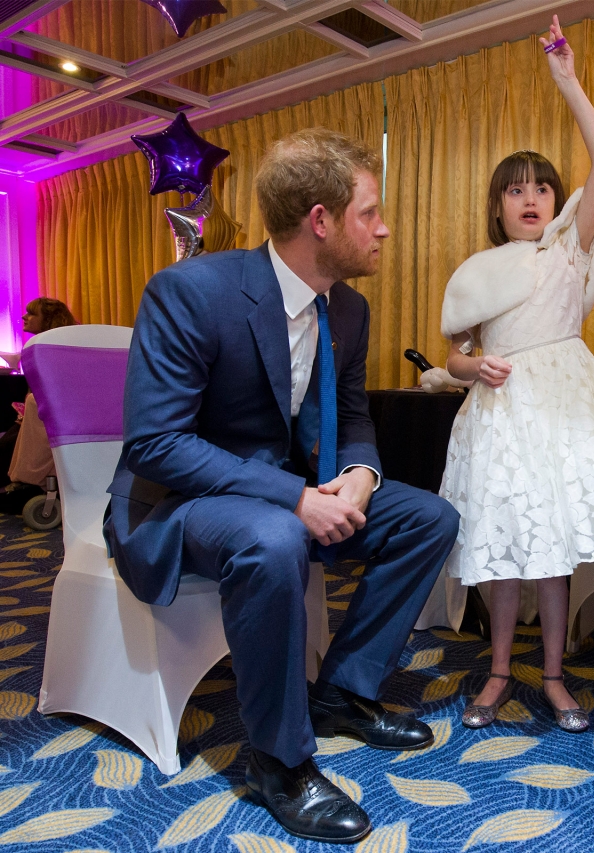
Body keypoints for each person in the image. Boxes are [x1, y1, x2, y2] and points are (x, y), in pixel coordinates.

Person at [103, 129, 460, 844]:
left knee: (430, 518)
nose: (384, 227)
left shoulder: (348, 309)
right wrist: (294, 497)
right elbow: (157, 443)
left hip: (290, 490)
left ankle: (344, 691)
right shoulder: (191, 292)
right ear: (320, 220)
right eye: (370, 211)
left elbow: (353, 413)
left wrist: (361, 473)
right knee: (274, 535)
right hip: (181, 503)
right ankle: (278, 759)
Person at [440, 16, 594, 734]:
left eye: (541, 189)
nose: (530, 199)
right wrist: (475, 364)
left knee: (553, 553)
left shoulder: (570, 249)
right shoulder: (479, 273)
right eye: (515, 191)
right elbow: (454, 357)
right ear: (497, 208)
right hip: (501, 414)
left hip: (562, 409)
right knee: (500, 551)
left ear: (557, 202)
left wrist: (567, 80)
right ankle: (498, 672)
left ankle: (553, 676)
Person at [0, 298, 77, 514]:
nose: (24, 317)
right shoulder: (38, 347)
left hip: (59, 414)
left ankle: (25, 486)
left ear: (50, 319)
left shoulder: (56, 348)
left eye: (31, 314)